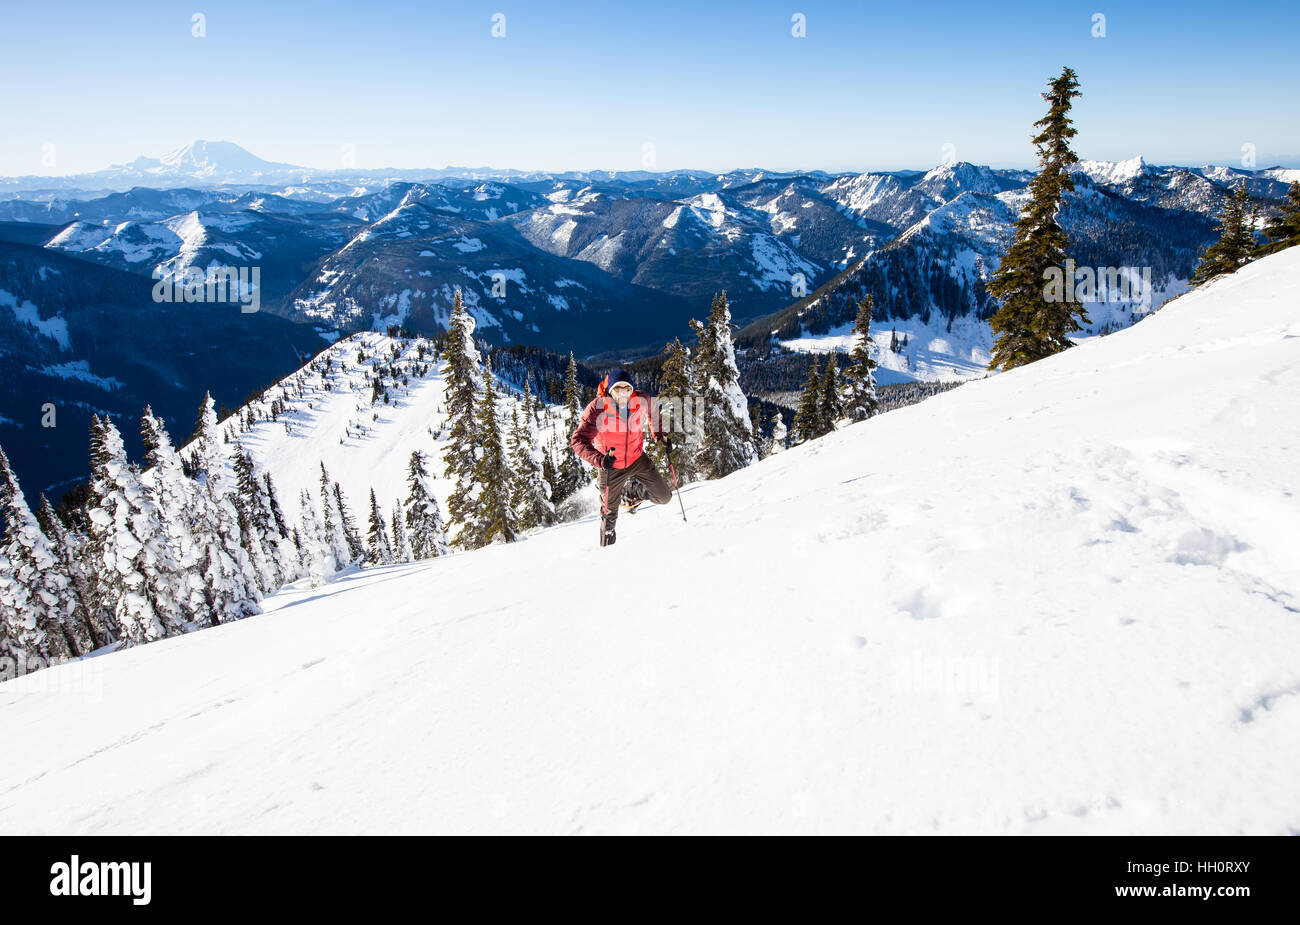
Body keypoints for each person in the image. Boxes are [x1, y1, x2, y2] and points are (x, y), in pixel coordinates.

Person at [570, 367, 674, 546]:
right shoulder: (598, 408)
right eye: (618, 389)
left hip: (636, 458)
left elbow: (654, 411)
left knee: (664, 497)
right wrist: (600, 460)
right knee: (609, 517)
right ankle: (606, 554)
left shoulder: (641, 400)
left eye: (627, 388)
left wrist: (659, 436)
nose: (623, 393)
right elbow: (578, 441)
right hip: (610, 465)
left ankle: (631, 491)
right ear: (610, 391)